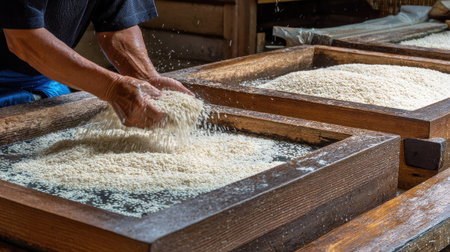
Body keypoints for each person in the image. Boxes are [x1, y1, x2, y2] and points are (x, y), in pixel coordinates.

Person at [0, 0, 194, 129]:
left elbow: (117, 26)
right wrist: (112, 88)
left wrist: (147, 79)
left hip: (43, 79)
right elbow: (23, 39)